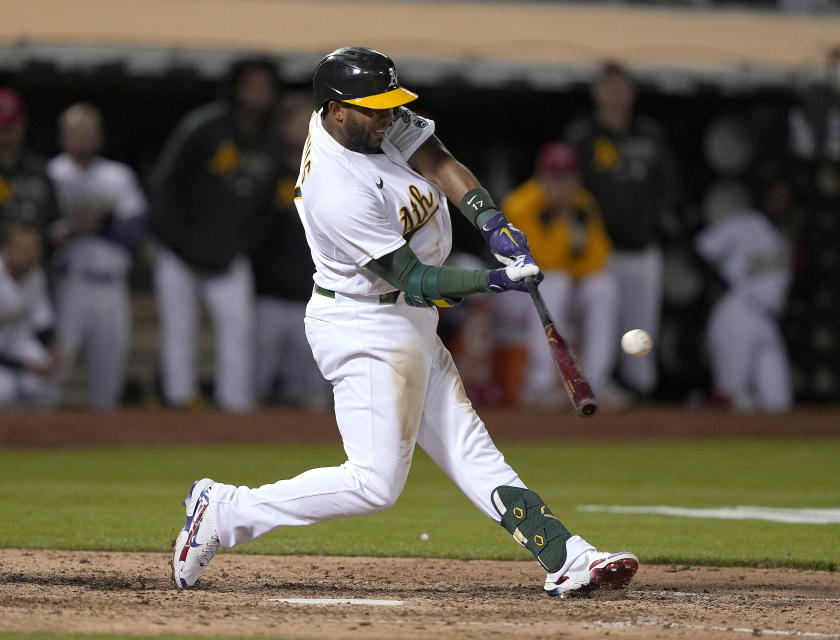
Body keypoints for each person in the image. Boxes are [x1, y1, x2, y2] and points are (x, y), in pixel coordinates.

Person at [172, 47, 638, 598]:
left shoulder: (373, 124)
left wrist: (491, 221)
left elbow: (438, 159)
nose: (388, 117)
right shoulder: (334, 188)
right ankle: (223, 512)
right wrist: (493, 281)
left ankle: (566, 556)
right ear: (336, 110)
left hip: (406, 321)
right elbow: (412, 278)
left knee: (472, 451)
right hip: (364, 326)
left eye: (391, 106)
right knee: (374, 485)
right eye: (375, 109)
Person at [150, 58, 283, 412]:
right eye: (251, 84)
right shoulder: (204, 126)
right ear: (235, 88)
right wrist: (177, 240)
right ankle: (179, 403)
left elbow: (269, 211)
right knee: (179, 332)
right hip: (179, 253)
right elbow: (165, 184)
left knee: (238, 330)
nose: (258, 93)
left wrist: (241, 245)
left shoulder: (270, 143)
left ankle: (234, 409)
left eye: (265, 86)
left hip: (229, 256)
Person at [564, 63, 680, 398]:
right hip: (602, 252)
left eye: (621, 89)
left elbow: (667, 187)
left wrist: (655, 222)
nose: (616, 96)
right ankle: (596, 386)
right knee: (601, 320)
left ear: (632, 93)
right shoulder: (583, 137)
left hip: (642, 248)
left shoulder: (650, 135)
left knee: (642, 328)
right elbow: (570, 190)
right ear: (596, 93)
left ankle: (641, 391)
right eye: (609, 88)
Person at [499, 141, 625, 408]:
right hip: (510, 294)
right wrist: (567, 234)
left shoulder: (583, 202)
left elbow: (598, 261)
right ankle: (539, 385)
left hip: (561, 287)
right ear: (541, 176)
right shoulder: (520, 205)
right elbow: (538, 263)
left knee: (603, 287)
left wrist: (570, 248)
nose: (561, 185)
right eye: (554, 177)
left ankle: (596, 383)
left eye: (567, 177)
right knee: (554, 282)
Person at [47, 103, 148, 410]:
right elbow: (40, 234)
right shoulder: (51, 173)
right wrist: (72, 229)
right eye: (75, 132)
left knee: (108, 379)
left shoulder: (117, 175)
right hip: (69, 284)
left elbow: (136, 231)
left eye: (89, 132)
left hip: (111, 286)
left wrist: (98, 226)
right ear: (63, 136)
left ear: (100, 136)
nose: (83, 139)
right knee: (53, 373)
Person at [250, 92, 331, 408]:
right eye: (297, 122)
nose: (304, 129)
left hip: (315, 297)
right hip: (268, 295)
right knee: (255, 385)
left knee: (313, 392)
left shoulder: (330, 172)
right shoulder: (266, 170)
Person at [695, 194, 794, 412]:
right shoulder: (745, 223)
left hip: (769, 320)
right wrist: (722, 286)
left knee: (779, 403)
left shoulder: (785, 237)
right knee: (730, 396)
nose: (781, 203)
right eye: (776, 195)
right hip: (739, 311)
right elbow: (702, 248)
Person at [0, 222, 58, 407]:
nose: (30, 254)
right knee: (4, 389)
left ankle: (38, 434)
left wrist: (53, 347)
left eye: (33, 248)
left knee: (43, 381)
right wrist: (25, 367)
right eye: (23, 248)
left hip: (17, 345)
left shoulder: (35, 275)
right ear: (6, 248)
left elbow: (42, 321)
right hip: (4, 355)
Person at [0, 88, 59, 230]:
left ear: (22, 125)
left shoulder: (38, 168)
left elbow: (54, 219)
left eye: (10, 128)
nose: (5, 136)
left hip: (35, 247)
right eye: (0, 128)